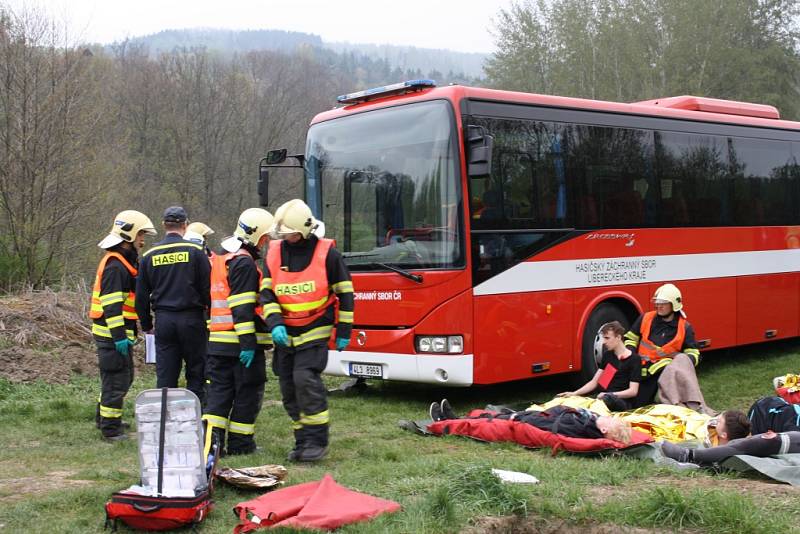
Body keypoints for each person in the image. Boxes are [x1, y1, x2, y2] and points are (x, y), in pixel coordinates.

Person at [260, 199, 355, 463]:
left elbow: (345, 294)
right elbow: (266, 294)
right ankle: (302, 440)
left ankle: (317, 441)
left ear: (303, 229)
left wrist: (344, 329)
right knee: (288, 387)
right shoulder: (275, 252)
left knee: (305, 379)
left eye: (288, 231)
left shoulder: (328, 254)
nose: (284, 236)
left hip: (315, 328)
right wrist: (275, 322)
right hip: (285, 331)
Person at [202, 208, 274, 458]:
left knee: (219, 395)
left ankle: (211, 445)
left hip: (218, 344)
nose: (266, 243)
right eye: (265, 238)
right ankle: (241, 445)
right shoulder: (244, 263)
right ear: (256, 236)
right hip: (240, 345)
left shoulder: (223, 258)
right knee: (248, 394)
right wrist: (247, 344)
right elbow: (242, 307)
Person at [90, 210, 157, 441]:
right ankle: (111, 429)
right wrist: (118, 336)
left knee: (118, 378)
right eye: (140, 234)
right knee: (117, 379)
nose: (142, 240)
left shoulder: (121, 262)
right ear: (128, 236)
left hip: (116, 332)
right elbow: (111, 306)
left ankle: (104, 419)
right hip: (111, 334)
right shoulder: (116, 267)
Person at [136, 206, 211, 403]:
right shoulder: (196, 252)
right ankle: (196, 417)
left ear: (163, 225)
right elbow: (207, 289)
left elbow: (141, 296)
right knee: (197, 372)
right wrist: (209, 317)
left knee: (166, 376)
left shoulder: (149, 256)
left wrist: (147, 325)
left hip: (164, 321)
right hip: (193, 319)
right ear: (185, 225)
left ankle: (166, 422)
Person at [623, 283, 707, 411]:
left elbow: (693, 354)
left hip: (661, 372)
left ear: (674, 305)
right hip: (638, 367)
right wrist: (631, 355)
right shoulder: (646, 318)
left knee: (639, 405)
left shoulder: (684, 328)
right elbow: (630, 338)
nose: (658, 305)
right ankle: (602, 393)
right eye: (657, 302)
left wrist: (674, 364)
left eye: (663, 303)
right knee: (614, 373)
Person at [429, 399, 632, 444]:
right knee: (491, 417)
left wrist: (521, 419)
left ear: (604, 428)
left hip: (529, 423)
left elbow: (551, 426)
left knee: (488, 424)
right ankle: (456, 417)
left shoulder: (582, 427)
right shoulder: (588, 421)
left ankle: (445, 422)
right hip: (533, 417)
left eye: (609, 418)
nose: (607, 415)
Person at [557, 321, 640, 411]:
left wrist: (610, 395)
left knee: (605, 400)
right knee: (569, 401)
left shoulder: (634, 359)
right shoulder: (608, 355)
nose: (604, 342)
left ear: (618, 337)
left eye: (607, 338)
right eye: (603, 338)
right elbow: (595, 382)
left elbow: (633, 391)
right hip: (603, 397)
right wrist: (574, 393)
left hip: (621, 401)